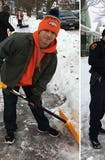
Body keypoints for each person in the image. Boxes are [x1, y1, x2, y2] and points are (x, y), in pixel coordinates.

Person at [0, 15, 61, 144]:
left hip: (31, 82)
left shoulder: (52, 55)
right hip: (11, 78)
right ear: (40, 30)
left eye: (53, 33)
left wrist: (37, 92)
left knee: (37, 104)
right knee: (10, 106)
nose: (49, 35)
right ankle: (10, 130)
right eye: (46, 30)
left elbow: (46, 77)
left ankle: (43, 126)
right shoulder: (19, 40)